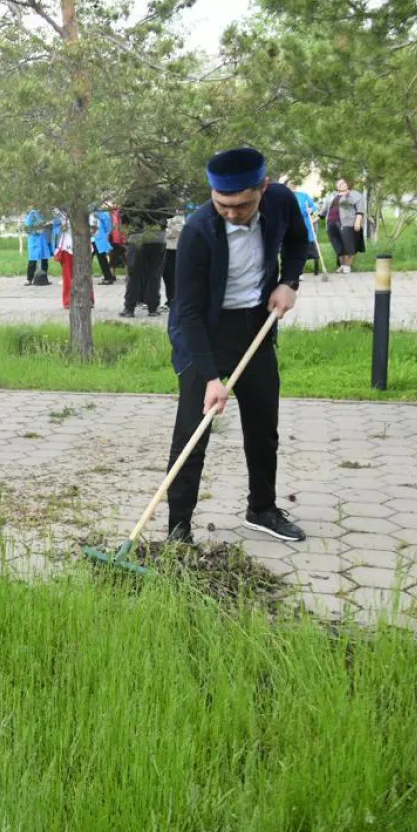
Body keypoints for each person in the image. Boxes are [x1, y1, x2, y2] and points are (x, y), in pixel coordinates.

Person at [164, 147, 308, 545]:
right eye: (221, 204)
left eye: (241, 205)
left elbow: (298, 242)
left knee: (263, 427)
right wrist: (211, 376)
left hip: (255, 326)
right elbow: (188, 311)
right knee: (193, 433)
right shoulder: (197, 230)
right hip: (204, 332)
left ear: (263, 187)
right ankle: (179, 529)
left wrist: (289, 282)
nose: (230, 213)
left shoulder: (281, 201)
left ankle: (261, 509)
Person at [118, 185, 171, 318]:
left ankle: (129, 308)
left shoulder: (133, 192)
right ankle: (153, 308)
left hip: (137, 237)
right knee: (155, 274)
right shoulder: (162, 192)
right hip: (158, 237)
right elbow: (170, 213)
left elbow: (123, 215)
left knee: (134, 274)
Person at [324, 178, 367, 273]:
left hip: (348, 223)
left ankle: (348, 266)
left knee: (349, 245)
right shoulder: (332, 196)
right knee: (338, 246)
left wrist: (358, 222)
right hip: (331, 223)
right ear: (336, 187)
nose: (342, 184)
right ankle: (342, 265)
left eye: (343, 182)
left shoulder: (354, 195)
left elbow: (360, 209)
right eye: (340, 183)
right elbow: (323, 210)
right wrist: (315, 217)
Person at [53, 211, 94, 309]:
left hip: (83, 247)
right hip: (68, 249)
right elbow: (55, 230)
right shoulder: (61, 213)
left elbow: (94, 228)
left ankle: (88, 299)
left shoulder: (87, 211)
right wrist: (61, 228)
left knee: (85, 274)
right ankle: (68, 301)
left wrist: (86, 231)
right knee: (68, 276)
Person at [293, 186, 321, 276]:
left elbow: (313, 206)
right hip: (292, 224)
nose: (291, 187)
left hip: (305, 224)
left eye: (293, 185)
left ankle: (312, 269)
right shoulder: (285, 196)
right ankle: (298, 272)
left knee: (309, 246)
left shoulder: (304, 195)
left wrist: (311, 209)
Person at [22, 208, 52, 285]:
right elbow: (27, 228)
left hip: (42, 239)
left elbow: (48, 225)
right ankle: (29, 279)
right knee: (32, 260)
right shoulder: (31, 215)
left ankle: (44, 279)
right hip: (34, 240)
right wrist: (36, 230)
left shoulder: (44, 214)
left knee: (44, 259)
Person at [92, 206, 116, 283]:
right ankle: (108, 276)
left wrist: (107, 233)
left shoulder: (98, 210)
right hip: (96, 237)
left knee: (102, 258)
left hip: (98, 237)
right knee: (102, 258)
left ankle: (108, 277)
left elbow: (107, 222)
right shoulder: (96, 209)